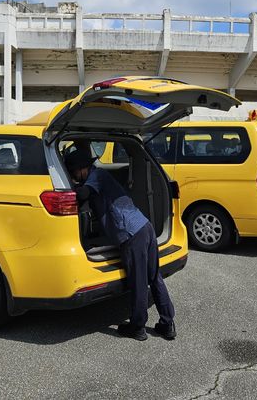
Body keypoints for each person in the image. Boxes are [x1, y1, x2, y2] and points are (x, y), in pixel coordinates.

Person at [65, 147, 176, 342]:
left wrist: (69, 188)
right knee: (154, 276)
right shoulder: (99, 175)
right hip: (144, 226)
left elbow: (83, 194)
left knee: (139, 281)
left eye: (74, 172)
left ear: (82, 168)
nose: (75, 176)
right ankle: (167, 324)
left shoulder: (96, 176)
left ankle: (137, 327)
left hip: (131, 234)